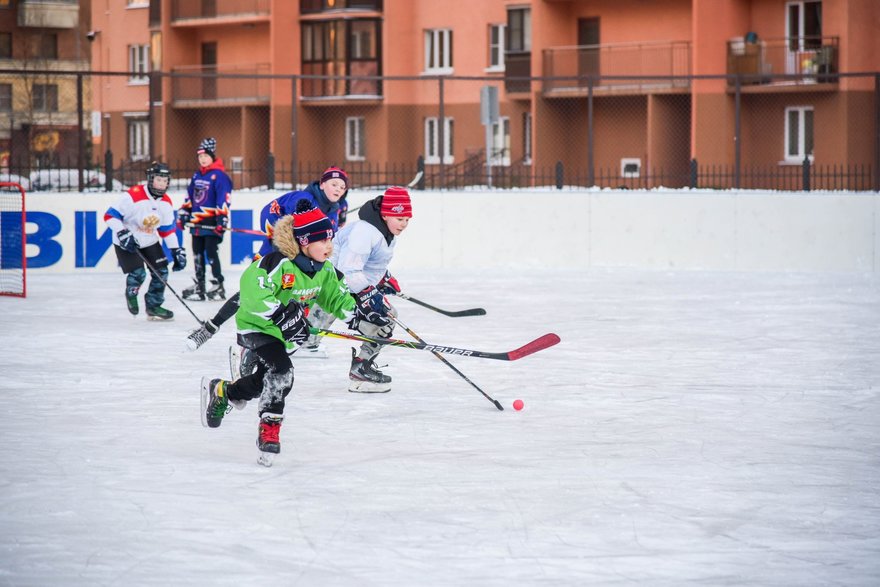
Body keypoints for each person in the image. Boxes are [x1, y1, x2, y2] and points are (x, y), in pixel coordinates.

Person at [199, 199, 390, 465]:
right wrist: (280, 313)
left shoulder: (324, 271)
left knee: (266, 378)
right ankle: (269, 430)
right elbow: (252, 291)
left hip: (289, 334)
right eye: (322, 241)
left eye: (330, 240)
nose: (329, 246)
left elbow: (337, 297)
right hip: (259, 327)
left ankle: (225, 392)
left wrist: (358, 318)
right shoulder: (277, 263)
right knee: (282, 373)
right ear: (303, 242)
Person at [184, 166, 349, 351]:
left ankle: (292, 340)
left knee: (303, 295)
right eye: (334, 184)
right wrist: (280, 240)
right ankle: (211, 328)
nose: (338, 190)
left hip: (305, 261)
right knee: (252, 292)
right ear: (322, 183)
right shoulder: (302, 200)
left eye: (342, 187)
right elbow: (268, 211)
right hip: (276, 252)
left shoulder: (336, 208)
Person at [308, 186, 413, 393]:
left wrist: (382, 278)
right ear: (385, 214)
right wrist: (368, 293)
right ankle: (261, 355)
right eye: (399, 218)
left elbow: (369, 264)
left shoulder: (384, 231)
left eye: (407, 220)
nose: (404, 224)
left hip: (348, 285)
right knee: (302, 334)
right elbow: (348, 269)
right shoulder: (365, 232)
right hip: (333, 284)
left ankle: (361, 368)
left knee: (386, 317)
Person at [103, 161, 187, 320]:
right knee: (138, 273)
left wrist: (177, 250)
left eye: (165, 180)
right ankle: (131, 292)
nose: (162, 184)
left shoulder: (166, 203)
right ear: (150, 179)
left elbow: (167, 231)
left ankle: (154, 306)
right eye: (158, 179)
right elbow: (109, 216)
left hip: (149, 240)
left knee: (161, 271)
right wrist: (122, 232)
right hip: (127, 241)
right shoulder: (133, 195)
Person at [178, 137, 232, 301]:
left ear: (212, 156)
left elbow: (223, 199)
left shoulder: (219, 176)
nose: (202, 159)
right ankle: (200, 284)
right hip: (196, 222)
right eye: (200, 156)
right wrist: (184, 213)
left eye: (205, 156)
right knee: (197, 253)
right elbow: (190, 197)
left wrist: (221, 219)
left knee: (211, 252)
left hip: (211, 222)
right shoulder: (196, 175)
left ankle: (218, 284)